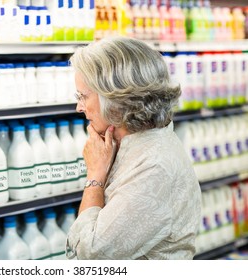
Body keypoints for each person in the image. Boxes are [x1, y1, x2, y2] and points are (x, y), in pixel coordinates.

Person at [65, 36, 201, 260]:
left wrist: (95, 178)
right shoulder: (131, 142)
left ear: (116, 99)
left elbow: (90, 256)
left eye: (83, 96)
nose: (79, 107)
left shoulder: (154, 167)